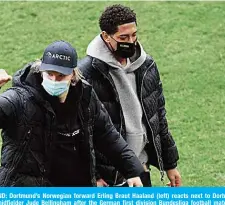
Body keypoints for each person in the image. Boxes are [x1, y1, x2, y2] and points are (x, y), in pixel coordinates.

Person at [0, 40, 145, 187]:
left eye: (61, 76)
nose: (54, 80)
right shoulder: (19, 99)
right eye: (49, 74)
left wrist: (133, 171)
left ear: (73, 76)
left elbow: (108, 137)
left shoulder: (85, 98)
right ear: (41, 70)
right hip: (30, 193)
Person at [78, 4, 182, 187]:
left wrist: (170, 163)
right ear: (105, 36)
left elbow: (158, 117)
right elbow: (82, 130)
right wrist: (94, 175)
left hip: (140, 169)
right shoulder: (87, 73)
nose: (131, 42)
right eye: (123, 37)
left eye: (134, 35)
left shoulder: (147, 66)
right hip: (109, 179)